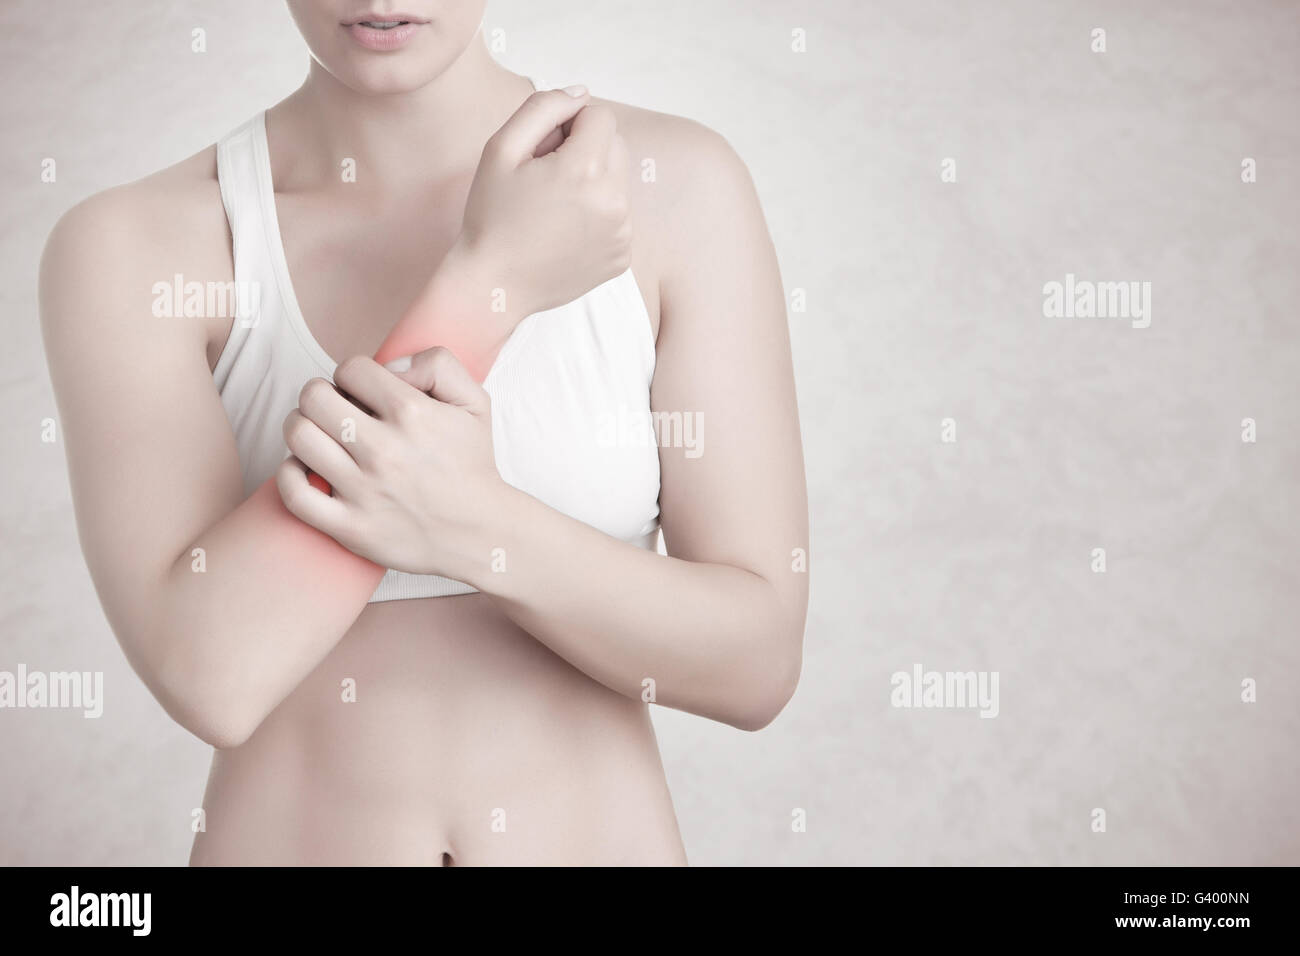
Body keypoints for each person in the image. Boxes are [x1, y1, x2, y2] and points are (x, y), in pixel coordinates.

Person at [39, 1, 808, 865]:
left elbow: (757, 661)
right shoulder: (138, 247)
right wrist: (492, 283)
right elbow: (214, 674)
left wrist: (477, 528)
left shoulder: (671, 188)